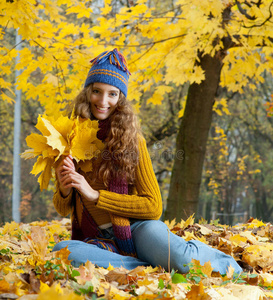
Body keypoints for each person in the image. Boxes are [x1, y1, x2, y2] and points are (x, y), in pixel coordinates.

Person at [52, 48, 242, 275]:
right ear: (87, 93)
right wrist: (64, 191)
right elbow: (64, 208)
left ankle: (224, 264)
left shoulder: (131, 141)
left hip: (138, 228)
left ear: (120, 98)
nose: (103, 101)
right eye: (97, 91)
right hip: (99, 239)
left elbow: (153, 205)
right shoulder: (69, 138)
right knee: (63, 252)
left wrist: (95, 195)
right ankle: (147, 267)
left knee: (182, 261)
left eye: (112, 94)